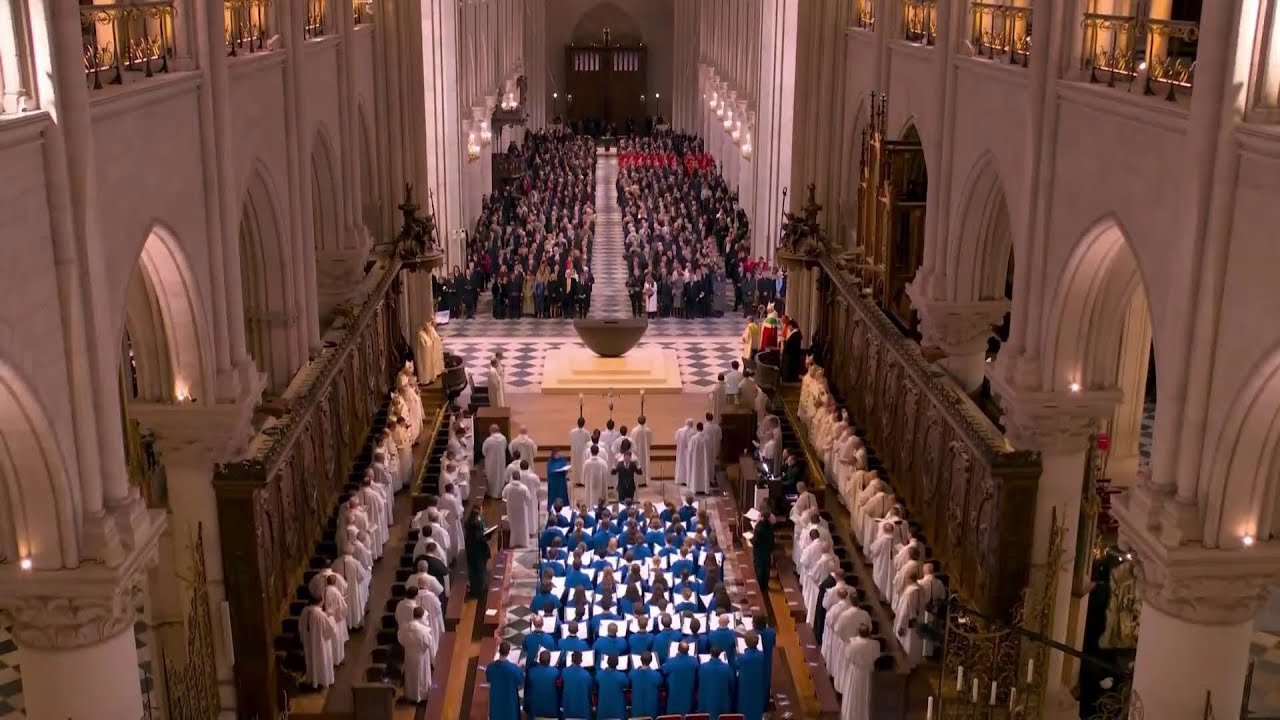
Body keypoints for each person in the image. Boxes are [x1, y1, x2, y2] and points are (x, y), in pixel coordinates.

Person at [842, 625, 880, 720]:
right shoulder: (875, 644)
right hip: (867, 673)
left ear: (859, 632)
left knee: (853, 695)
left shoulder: (853, 645)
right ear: (869, 633)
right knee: (864, 696)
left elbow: (847, 655)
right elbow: (876, 656)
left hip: (855, 673)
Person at [398, 606, 435, 703]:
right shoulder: (423, 630)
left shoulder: (404, 627)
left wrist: (408, 646)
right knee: (421, 675)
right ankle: (422, 695)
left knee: (411, 675)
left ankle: (411, 695)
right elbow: (428, 643)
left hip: (409, 655)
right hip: (421, 656)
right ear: (421, 616)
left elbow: (401, 639)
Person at [485, 641, 523, 720]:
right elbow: (520, 681)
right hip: (510, 700)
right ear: (509, 652)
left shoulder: (490, 667)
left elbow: (488, 679)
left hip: (496, 700)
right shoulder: (514, 669)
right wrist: (518, 668)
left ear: (499, 651)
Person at [736, 632, 768, 720]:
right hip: (757, 690)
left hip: (745, 690)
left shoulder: (742, 658)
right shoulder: (761, 656)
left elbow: (736, 664)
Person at [662, 641, 699, 714]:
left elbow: (664, 670)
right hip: (688, 700)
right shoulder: (694, 661)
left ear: (678, 649)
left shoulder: (670, 661)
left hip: (674, 699)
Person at [697, 650, 734, 718]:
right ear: (719, 654)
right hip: (723, 704)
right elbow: (732, 685)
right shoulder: (727, 668)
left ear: (710, 654)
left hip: (705, 704)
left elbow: (698, 682)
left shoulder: (703, 667)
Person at [524, 650, 560, 719]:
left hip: (534, 710)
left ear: (539, 660)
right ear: (549, 661)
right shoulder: (556, 672)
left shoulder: (531, 672)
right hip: (551, 710)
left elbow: (526, 691)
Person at [502, 469, 533, 548]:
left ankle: (513, 542)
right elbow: (528, 498)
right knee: (522, 524)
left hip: (511, 509)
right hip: (522, 509)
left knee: (513, 525)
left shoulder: (508, 487)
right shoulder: (524, 488)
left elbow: (504, 496)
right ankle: (523, 542)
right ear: (519, 478)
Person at [465, 506, 491, 598]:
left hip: (472, 550)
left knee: (474, 571)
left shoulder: (470, 522)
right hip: (478, 551)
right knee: (479, 571)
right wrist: (487, 536)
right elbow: (479, 538)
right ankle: (479, 591)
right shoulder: (475, 524)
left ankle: (476, 590)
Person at [561, 651, 595, 720]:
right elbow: (591, 692)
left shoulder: (564, 672)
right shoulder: (587, 675)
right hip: (583, 712)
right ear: (581, 660)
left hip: (568, 711)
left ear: (571, 659)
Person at [629, 651, 664, 717]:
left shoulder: (632, 674)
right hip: (652, 711)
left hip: (637, 711)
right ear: (651, 661)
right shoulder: (656, 675)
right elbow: (660, 682)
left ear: (640, 660)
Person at [596, 655, 630, 720]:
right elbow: (627, 684)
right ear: (617, 664)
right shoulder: (622, 676)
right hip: (618, 713)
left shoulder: (599, 675)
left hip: (602, 713)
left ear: (607, 662)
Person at [482, 425, 509, 499]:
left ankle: (492, 493)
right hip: (501, 460)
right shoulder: (503, 438)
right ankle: (500, 493)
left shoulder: (488, 440)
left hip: (491, 461)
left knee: (492, 476)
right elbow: (505, 447)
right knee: (500, 476)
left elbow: (484, 451)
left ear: (491, 431)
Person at [752, 510, 775, 590]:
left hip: (759, 551)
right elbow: (772, 540)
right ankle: (765, 585)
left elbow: (755, 541)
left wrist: (751, 540)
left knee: (759, 568)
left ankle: (759, 586)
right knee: (766, 568)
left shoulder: (758, 527)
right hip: (767, 551)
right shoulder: (770, 526)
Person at [568, 417, 591, 491]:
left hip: (575, 451)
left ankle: (576, 480)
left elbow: (570, 440)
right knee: (582, 466)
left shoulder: (572, 432)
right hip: (583, 452)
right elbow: (589, 443)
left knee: (575, 465)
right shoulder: (587, 433)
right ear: (584, 424)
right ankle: (582, 481)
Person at [632, 415, 653, 486]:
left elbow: (632, 441)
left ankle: (637, 481)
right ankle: (644, 481)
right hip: (645, 452)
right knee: (644, 465)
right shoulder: (648, 431)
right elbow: (650, 441)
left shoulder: (634, 430)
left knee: (637, 465)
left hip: (636, 452)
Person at [674, 418, 695, 486]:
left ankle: (680, 479)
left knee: (680, 464)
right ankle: (687, 480)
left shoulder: (679, 431)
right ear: (691, 424)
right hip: (688, 452)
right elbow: (692, 443)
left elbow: (676, 439)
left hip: (680, 451)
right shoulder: (693, 432)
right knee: (687, 465)